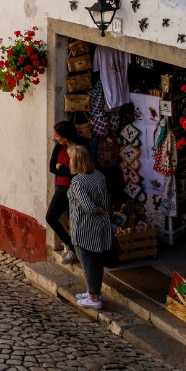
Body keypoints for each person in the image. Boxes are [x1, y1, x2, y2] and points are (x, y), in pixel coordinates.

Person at [67, 144, 112, 310]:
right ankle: (94, 291)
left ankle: (94, 298)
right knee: (96, 262)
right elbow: (104, 200)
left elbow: (88, 206)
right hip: (100, 227)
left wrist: (97, 209)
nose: (69, 161)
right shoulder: (99, 176)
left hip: (84, 228)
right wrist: (102, 209)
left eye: (71, 158)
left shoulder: (78, 181)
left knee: (87, 263)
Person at [46, 121, 82, 264]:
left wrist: (62, 169)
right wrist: (65, 170)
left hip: (77, 189)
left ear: (65, 136)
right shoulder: (58, 148)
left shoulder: (80, 148)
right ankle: (69, 244)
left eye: (57, 135)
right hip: (61, 188)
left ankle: (78, 252)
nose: (56, 138)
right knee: (50, 217)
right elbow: (52, 168)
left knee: (76, 222)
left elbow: (78, 172)